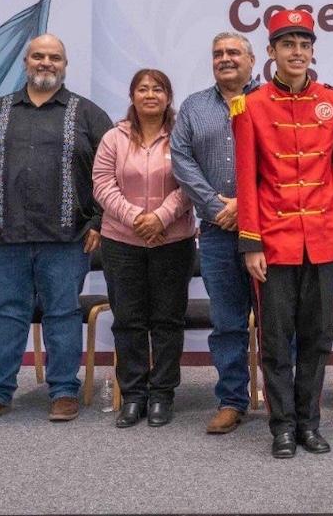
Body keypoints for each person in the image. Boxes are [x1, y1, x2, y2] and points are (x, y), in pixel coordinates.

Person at [0, 34, 112, 425]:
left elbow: (109, 173)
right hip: (4, 236)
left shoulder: (88, 114)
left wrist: (98, 221)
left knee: (62, 313)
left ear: (64, 64)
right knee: (8, 313)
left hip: (67, 238)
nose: (46, 62)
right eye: (39, 56)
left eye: (54, 57)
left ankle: (63, 392)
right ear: (26, 61)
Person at [234, 9, 333, 459]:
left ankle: (309, 423)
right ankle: (281, 426)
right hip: (274, 241)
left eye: (304, 45)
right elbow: (247, 180)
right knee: (275, 339)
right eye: (288, 45)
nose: (297, 52)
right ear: (271, 52)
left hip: (322, 238)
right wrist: (251, 243)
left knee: (318, 338)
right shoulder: (251, 106)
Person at [92, 69, 195, 428]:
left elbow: (190, 182)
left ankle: (162, 394)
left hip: (173, 241)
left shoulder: (182, 134)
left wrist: (161, 218)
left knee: (167, 320)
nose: (150, 95)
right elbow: (102, 185)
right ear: (132, 95)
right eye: (142, 89)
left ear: (168, 95)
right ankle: (133, 395)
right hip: (122, 241)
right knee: (129, 320)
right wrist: (138, 218)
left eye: (158, 89)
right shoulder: (113, 138)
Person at [170, 32, 260, 435]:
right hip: (216, 230)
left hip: (268, 229)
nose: (225, 59)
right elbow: (181, 159)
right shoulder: (193, 107)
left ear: (252, 59)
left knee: (276, 319)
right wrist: (216, 206)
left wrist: (245, 204)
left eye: (233, 52)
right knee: (226, 321)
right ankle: (231, 400)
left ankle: (282, 396)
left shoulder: (271, 100)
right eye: (218, 53)